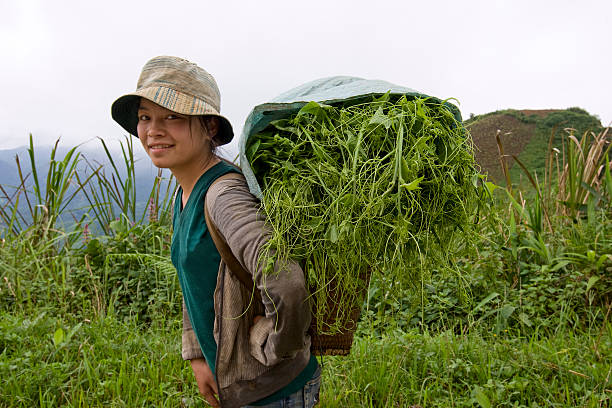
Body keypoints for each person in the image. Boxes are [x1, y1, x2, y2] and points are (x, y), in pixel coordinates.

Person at [111, 56, 320, 408]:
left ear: (209, 127)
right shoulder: (184, 190)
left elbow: (287, 282)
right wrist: (197, 353)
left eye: (172, 116)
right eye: (145, 117)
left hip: (273, 393)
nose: (153, 130)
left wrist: (270, 347)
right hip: (240, 390)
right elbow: (195, 280)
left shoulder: (224, 196)